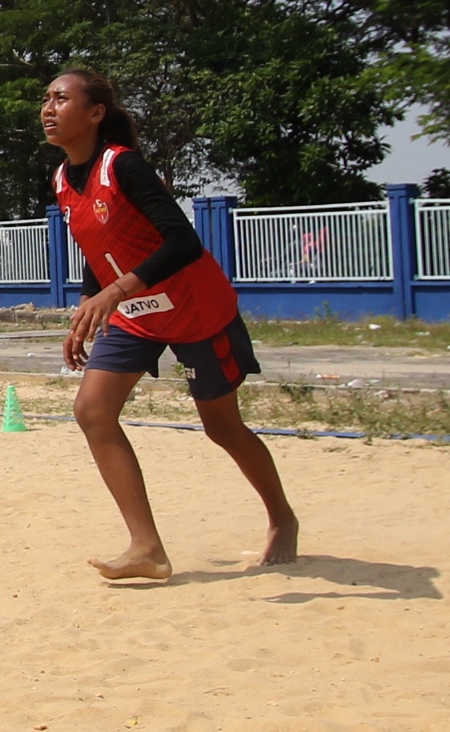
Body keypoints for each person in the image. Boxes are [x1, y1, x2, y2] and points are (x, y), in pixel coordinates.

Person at [42, 68, 299, 581]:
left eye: (61, 98)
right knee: (92, 411)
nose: (48, 107)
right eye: (46, 98)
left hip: (196, 310)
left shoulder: (125, 167)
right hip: (137, 317)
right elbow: (100, 248)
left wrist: (115, 291)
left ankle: (282, 517)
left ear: (95, 113)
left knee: (221, 428)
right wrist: (90, 301)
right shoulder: (62, 181)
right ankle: (147, 548)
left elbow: (183, 243)